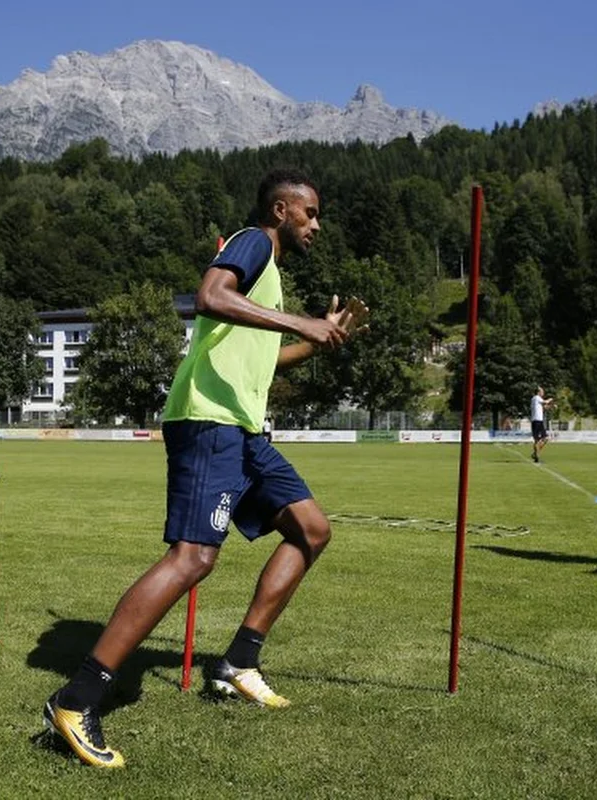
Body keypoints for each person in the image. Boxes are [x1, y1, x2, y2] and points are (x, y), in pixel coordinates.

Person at [42, 168, 369, 769]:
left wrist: (319, 341)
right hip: (209, 423)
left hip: (242, 431)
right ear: (280, 210)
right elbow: (209, 297)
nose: (317, 225)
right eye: (311, 213)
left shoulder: (266, 280)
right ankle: (76, 697)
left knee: (312, 530)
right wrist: (303, 320)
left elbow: (267, 359)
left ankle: (239, 662)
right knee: (192, 559)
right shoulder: (251, 242)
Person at [530, 386, 554, 462]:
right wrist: (550, 399)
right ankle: (536, 455)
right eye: (542, 391)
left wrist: (552, 406)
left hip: (537, 421)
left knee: (541, 439)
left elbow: (545, 407)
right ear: (538, 392)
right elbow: (546, 402)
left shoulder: (536, 399)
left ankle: (535, 454)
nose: (543, 393)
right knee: (540, 439)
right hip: (537, 421)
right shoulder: (537, 397)